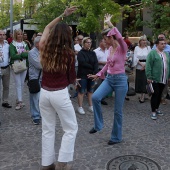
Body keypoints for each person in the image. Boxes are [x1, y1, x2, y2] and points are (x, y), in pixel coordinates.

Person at [39, 6, 78, 170]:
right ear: (67, 36)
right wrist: (76, 82)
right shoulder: (69, 53)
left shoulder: (44, 47)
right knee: (70, 128)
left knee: (48, 130)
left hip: (44, 93)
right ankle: (62, 163)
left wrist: (63, 15)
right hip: (59, 94)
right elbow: (71, 78)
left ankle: (47, 164)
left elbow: (47, 27)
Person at [88, 14, 128, 145]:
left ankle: (116, 137)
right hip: (109, 79)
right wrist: (99, 74)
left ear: (111, 37)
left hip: (121, 80)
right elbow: (107, 64)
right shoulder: (110, 48)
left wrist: (110, 24)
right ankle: (98, 125)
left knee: (117, 111)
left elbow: (120, 38)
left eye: (106, 39)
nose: (104, 42)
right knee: (95, 97)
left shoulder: (122, 48)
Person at [145, 38, 170, 120]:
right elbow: (148, 65)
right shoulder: (152, 53)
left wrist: (168, 76)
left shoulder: (166, 53)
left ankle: (157, 108)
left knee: (160, 95)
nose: (164, 45)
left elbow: (168, 65)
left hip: (163, 78)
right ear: (157, 45)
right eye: (162, 44)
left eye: (164, 43)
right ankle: (153, 111)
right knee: (155, 94)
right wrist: (149, 76)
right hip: (155, 78)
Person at [77, 37, 98, 114]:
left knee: (90, 91)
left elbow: (96, 62)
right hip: (82, 74)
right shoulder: (80, 53)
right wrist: (92, 67)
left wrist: (95, 72)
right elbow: (82, 63)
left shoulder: (93, 53)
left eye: (90, 42)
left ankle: (90, 105)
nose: (89, 44)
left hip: (92, 74)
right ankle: (80, 106)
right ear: (83, 43)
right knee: (81, 91)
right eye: (87, 42)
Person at [9, 29, 29, 110]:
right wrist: (23, 54)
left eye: (21, 34)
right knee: (18, 84)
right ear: (15, 35)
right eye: (18, 34)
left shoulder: (25, 43)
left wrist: (20, 54)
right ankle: (20, 101)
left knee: (21, 83)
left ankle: (19, 99)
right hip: (16, 66)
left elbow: (28, 54)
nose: (20, 36)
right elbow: (13, 56)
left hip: (24, 65)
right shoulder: (12, 44)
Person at [152, 33, 170, 105]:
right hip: (157, 70)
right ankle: (156, 98)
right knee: (157, 85)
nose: (161, 39)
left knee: (165, 85)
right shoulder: (154, 47)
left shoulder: (169, 47)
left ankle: (163, 98)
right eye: (160, 38)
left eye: (162, 38)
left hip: (166, 68)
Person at [28, 36, 42, 125]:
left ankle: (40, 114)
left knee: (41, 99)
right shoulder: (31, 53)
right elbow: (39, 65)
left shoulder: (44, 51)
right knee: (35, 97)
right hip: (35, 78)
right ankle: (35, 116)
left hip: (43, 78)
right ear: (37, 44)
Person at [133, 35, 151, 103]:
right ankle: (141, 93)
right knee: (139, 80)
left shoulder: (148, 48)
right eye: (143, 40)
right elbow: (135, 57)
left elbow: (149, 58)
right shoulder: (137, 48)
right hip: (139, 66)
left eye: (145, 40)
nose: (144, 41)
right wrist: (141, 64)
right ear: (140, 41)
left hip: (146, 66)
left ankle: (143, 96)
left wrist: (145, 65)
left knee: (144, 81)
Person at [94, 38, 108, 105]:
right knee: (98, 85)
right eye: (104, 42)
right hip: (99, 70)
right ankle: (96, 97)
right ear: (100, 43)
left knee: (104, 85)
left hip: (107, 70)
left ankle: (102, 98)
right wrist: (102, 63)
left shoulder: (108, 50)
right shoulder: (95, 51)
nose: (105, 43)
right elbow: (94, 61)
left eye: (106, 42)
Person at [0, 30, 12, 108]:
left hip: (6, 68)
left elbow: (11, 55)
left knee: (6, 86)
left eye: (3, 34)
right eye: (0, 34)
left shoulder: (8, 46)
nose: (2, 36)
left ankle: (5, 101)